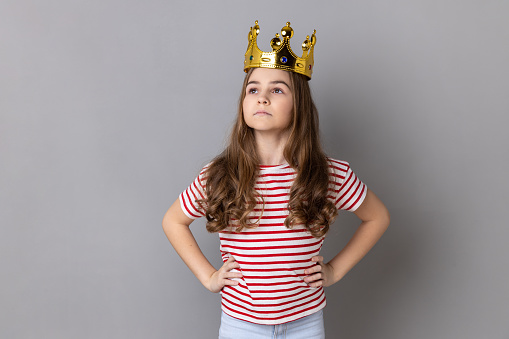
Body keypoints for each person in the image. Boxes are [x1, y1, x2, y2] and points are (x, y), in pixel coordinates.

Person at [162, 20, 390, 339]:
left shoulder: (328, 173)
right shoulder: (219, 174)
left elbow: (377, 217)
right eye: (253, 89)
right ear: (243, 103)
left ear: (298, 105)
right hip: (241, 325)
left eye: (277, 90)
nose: (262, 98)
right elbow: (173, 221)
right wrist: (209, 277)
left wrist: (334, 271)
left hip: (304, 324)